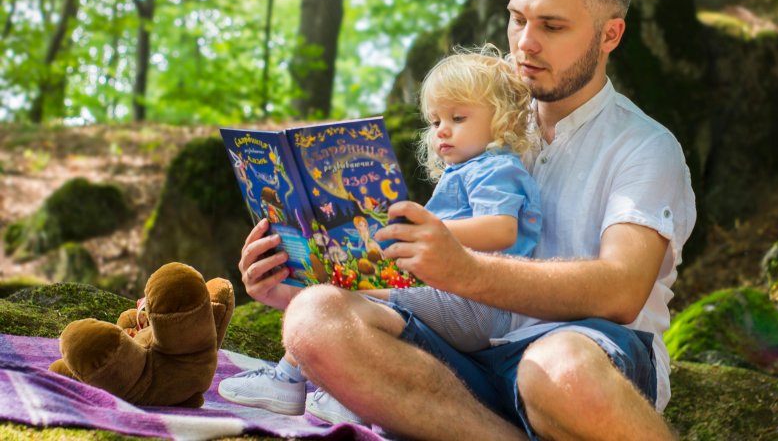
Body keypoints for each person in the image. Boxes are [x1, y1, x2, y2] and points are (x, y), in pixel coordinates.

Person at [239, 0, 694, 440]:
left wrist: (464, 268)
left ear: (610, 35)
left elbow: (622, 290)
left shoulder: (645, 146)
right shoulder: (479, 123)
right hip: (466, 357)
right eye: (518, 18)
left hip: (588, 352)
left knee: (557, 366)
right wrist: (298, 275)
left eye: (552, 26)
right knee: (312, 318)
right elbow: (411, 279)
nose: (526, 42)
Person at [219, 48, 543, 418]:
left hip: (478, 305)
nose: (443, 131)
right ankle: (327, 390)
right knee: (339, 291)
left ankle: (297, 383)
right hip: (453, 296)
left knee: (347, 297)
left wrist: (427, 231)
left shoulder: (497, 168)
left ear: (503, 120)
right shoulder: (468, 171)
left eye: (458, 117)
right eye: (435, 121)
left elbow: (501, 229)